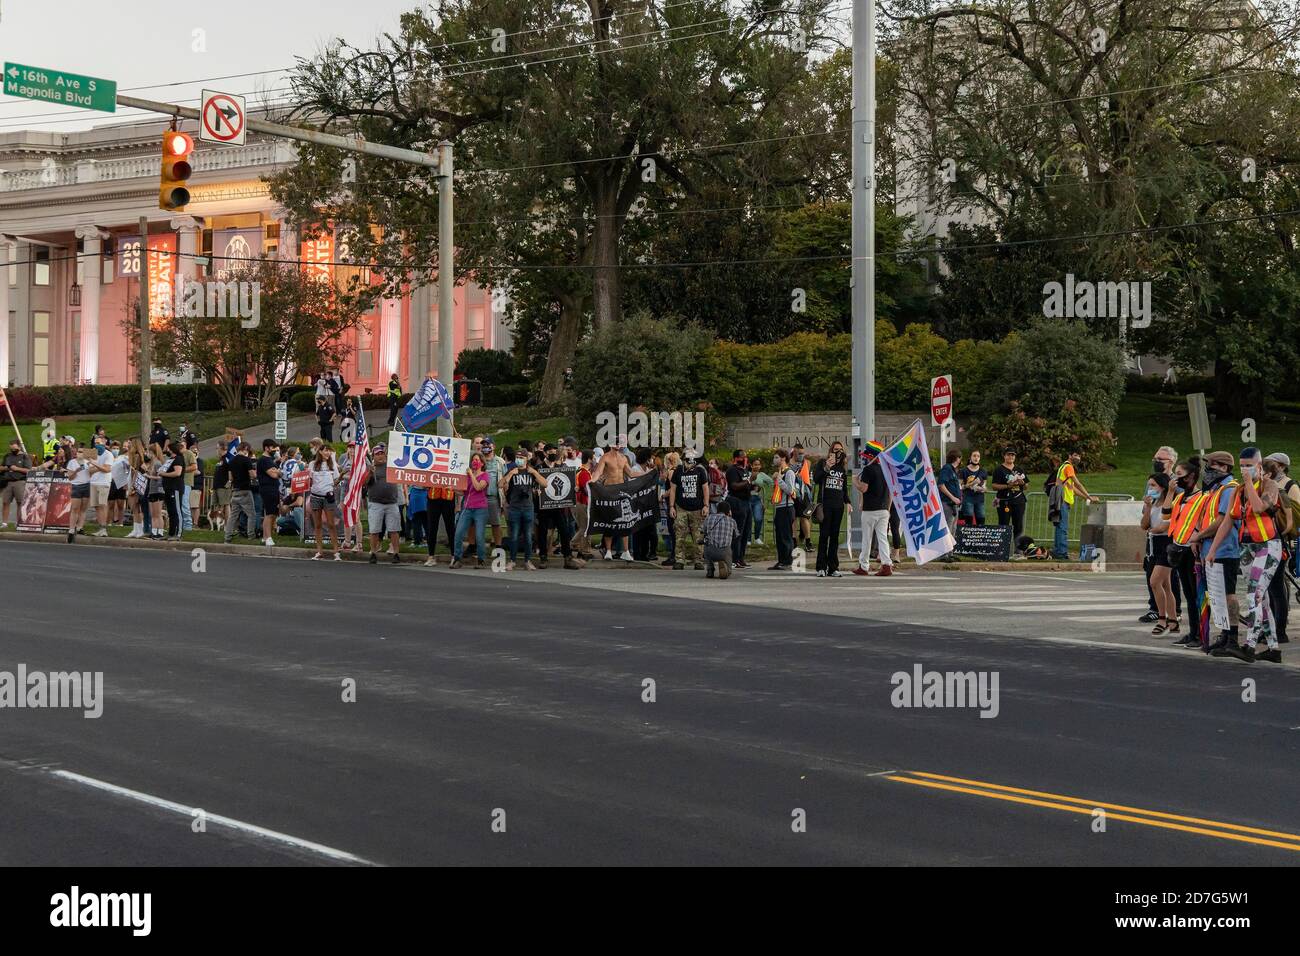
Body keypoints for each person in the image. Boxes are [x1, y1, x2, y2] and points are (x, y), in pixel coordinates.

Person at [1215, 447, 1287, 663]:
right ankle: (1273, 649)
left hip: (1267, 545)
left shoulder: (1269, 485)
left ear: (1259, 465)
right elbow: (1229, 520)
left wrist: (1248, 484)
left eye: (1249, 465)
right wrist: (1212, 551)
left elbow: (1258, 508)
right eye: (1242, 465)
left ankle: (1249, 646)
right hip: (1247, 548)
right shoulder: (1238, 491)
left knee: (1253, 595)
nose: (1245, 469)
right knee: (1261, 600)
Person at [1199, 451, 1242, 654]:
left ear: (1224, 468)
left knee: (1228, 594)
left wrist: (1199, 536)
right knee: (1217, 595)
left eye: (1211, 465)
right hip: (1212, 550)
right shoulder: (1217, 489)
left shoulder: (1229, 489)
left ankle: (1232, 638)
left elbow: (1222, 521)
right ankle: (1225, 635)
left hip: (1225, 550)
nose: (1207, 469)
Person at [1165, 457, 1206, 648]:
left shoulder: (1203, 497)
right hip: (1178, 548)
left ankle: (1200, 634)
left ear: (1191, 476)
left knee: (1197, 594)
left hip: (1193, 550)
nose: (1176, 478)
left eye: (1179, 475)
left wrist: (1195, 539)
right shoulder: (1180, 497)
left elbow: (1203, 522)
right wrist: (1171, 492)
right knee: (1188, 594)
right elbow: (1166, 514)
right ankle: (1193, 632)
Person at [1140, 446, 1182, 623]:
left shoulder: (1176, 483)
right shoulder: (1152, 481)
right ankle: (1156, 608)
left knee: (1167, 577)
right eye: (1155, 458)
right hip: (1153, 538)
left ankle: (1173, 611)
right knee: (1152, 574)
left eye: (1161, 459)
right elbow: (1146, 512)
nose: (1157, 462)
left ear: (1171, 462)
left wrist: (1159, 528)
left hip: (1168, 537)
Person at [1265, 452, 1299, 644]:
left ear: (1281, 466)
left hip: (1282, 539)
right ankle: (1274, 625)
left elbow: (1293, 514)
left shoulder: (1289, 485)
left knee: (1277, 585)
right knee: (1272, 586)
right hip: (1270, 538)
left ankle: (1280, 627)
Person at [590, 436, 635, 561]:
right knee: (609, 521)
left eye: (619, 443)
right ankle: (609, 550)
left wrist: (647, 474)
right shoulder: (605, 457)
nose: (617, 445)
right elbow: (598, 472)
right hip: (608, 491)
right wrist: (592, 480)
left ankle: (626, 551)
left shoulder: (624, 458)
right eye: (615, 443)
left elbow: (631, 473)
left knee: (625, 521)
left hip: (621, 491)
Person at [501, 445, 544, 570]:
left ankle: (527, 561)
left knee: (528, 536)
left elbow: (544, 484)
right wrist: (509, 475)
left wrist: (535, 472)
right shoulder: (512, 471)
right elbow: (500, 484)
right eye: (517, 457)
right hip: (514, 507)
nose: (519, 459)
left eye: (521, 457)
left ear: (526, 459)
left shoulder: (531, 471)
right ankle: (512, 561)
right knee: (513, 536)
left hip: (528, 508)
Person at [853, 441, 893, 576]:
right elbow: (891, 491)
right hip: (883, 508)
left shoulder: (868, 469)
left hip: (870, 509)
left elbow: (864, 488)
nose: (865, 458)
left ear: (870, 456)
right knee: (882, 538)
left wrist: (855, 482)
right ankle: (886, 565)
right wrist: (888, 508)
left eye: (866, 456)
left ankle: (864, 566)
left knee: (867, 538)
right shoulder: (886, 470)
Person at [1051, 451, 1099, 560]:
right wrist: (1090, 496)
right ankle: (1061, 553)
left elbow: (1073, 489)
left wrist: (1087, 497)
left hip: (1061, 500)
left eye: (1079, 456)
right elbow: (1078, 484)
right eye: (1076, 455)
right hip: (1062, 500)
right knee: (1062, 527)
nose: (1078, 458)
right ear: (1069, 456)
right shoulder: (1068, 467)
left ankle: (1058, 551)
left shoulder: (1064, 467)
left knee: (1060, 527)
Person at [813, 442, 851, 577]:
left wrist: (848, 502)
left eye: (840, 450)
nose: (838, 453)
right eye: (835, 450)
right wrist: (827, 467)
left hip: (838, 506)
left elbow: (844, 487)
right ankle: (821, 567)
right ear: (830, 451)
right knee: (824, 536)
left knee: (834, 537)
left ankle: (833, 567)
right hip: (825, 504)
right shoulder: (823, 463)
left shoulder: (842, 468)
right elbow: (816, 479)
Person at [669, 449, 710, 570]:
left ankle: (698, 560)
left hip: (697, 508)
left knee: (698, 536)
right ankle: (679, 560)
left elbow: (705, 488)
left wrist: (706, 505)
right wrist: (671, 506)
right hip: (681, 507)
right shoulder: (678, 470)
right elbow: (673, 489)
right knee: (679, 535)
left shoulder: (700, 470)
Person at [450, 453, 491, 569]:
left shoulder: (485, 476)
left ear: (482, 463)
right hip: (467, 508)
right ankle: (457, 559)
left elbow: (478, 487)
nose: (474, 462)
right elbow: (463, 492)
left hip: (480, 509)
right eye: (473, 460)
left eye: (477, 460)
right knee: (458, 533)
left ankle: (481, 560)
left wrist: (471, 475)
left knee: (479, 535)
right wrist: (452, 489)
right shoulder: (468, 476)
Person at [366, 443, 403, 565]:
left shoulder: (392, 466)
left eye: (382, 453)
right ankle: (373, 553)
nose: (381, 456)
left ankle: (396, 553)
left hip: (392, 503)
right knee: (374, 530)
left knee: (394, 529)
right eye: (378, 454)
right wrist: (370, 473)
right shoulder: (370, 468)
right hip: (375, 503)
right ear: (374, 456)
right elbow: (364, 484)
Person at [306, 445, 342, 561]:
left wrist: (340, 477)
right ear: (320, 451)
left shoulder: (333, 465)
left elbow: (336, 481)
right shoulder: (312, 464)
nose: (328, 453)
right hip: (315, 496)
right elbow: (308, 479)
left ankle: (336, 552)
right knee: (317, 524)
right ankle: (319, 551)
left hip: (328, 496)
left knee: (331, 524)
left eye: (329, 451)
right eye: (326, 450)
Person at [991, 449, 1028, 552]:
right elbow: (994, 486)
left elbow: (1026, 486)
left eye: (1013, 455)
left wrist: (1022, 483)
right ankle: (1003, 549)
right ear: (1004, 456)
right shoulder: (999, 469)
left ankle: (1018, 550)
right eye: (1009, 455)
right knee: (1003, 525)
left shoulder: (1019, 469)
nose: (1011, 457)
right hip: (1004, 501)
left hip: (1019, 501)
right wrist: (1008, 485)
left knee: (1018, 525)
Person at [725, 450, 754, 569]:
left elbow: (748, 483)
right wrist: (747, 481)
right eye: (743, 457)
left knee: (746, 531)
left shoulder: (745, 470)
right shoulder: (732, 470)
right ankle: (734, 558)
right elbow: (734, 485)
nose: (745, 459)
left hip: (747, 502)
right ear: (736, 458)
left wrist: (753, 484)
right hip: (737, 502)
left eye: (746, 457)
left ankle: (741, 558)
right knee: (738, 532)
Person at [224, 442, 257, 543]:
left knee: (233, 516)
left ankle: (227, 536)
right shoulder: (246, 460)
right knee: (251, 515)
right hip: (245, 491)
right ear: (245, 448)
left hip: (235, 491)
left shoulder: (231, 460)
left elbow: (230, 478)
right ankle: (251, 536)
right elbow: (253, 475)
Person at [770, 450, 797, 571]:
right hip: (779, 507)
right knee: (779, 536)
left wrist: (779, 480)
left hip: (787, 507)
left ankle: (787, 560)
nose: (774, 459)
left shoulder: (789, 472)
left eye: (776, 457)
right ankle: (781, 560)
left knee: (786, 535)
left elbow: (790, 490)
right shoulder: (780, 472)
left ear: (783, 459)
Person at [702, 499, 740, 579]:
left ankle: (710, 569)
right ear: (729, 511)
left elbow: (704, 532)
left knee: (706, 544)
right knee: (729, 551)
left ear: (717, 509)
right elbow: (736, 536)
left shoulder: (709, 518)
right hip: (724, 552)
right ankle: (727, 570)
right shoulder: (732, 521)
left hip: (711, 551)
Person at [255, 439, 282, 547]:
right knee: (269, 513)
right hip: (267, 489)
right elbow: (274, 474)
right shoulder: (264, 460)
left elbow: (276, 472)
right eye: (272, 447)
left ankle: (265, 536)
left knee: (274, 513)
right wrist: (278, 472)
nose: (274, 450)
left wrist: (277, 471)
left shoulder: (270, 460)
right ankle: (268, 538)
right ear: (266, 448)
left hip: (273, 488)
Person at [0, 438, 31, 529]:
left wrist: (17, 469)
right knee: (5, 502)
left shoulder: (25, 457)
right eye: (11, 449)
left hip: (20, 482)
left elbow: (28, 470)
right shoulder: (7, 456)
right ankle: (4, 523)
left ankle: (18, 522)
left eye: (15, 449)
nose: (13, 450)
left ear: (19, 447)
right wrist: (6, 468)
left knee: (20, 502)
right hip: (7, 482)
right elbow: (1, 467)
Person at [424, 484, 457, 565]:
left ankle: (454, 556)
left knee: (450, 528)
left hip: (448, 498)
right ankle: (431, 557)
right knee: (432, 528)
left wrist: (459, 504)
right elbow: (424, 482)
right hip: (433, 498)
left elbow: (458, 481)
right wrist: (425, 485)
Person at [87, 438, 114, 536]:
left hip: (104, 482)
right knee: (96, 506)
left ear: (104, 444)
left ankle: (104, 528)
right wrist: (100, 467)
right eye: (95, 443)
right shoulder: (93, 454)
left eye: (98, 443)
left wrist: (95, 465)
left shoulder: (108, 454)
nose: (96, 444)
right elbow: (89, 471)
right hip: (93, 481)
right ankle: (100, 528)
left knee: (102, 505)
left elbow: (107, 469)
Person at [790, 444, 814, 552]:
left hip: (804, 494)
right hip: (792, 493)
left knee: (805, 517)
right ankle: (794, 541)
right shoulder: (788, 463)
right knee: (793, 518)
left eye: (802, 453)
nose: (801, 455)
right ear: (794, 452)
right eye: (799, 453)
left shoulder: (806, 463)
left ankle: (808, 541)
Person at [937, 450, 963, 534]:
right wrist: (953, 497)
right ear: (957, 458)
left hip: (954, 503)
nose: (960, 460)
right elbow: (941, 485)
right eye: (960, 458)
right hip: (948, 503)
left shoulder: (953, 470)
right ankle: (947, 546)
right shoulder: (947, 468)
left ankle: (952, 546)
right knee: (948, 526)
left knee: (953, 527)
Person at [750, 458, 772, 546]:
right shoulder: (747, 473)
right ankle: (748, 539)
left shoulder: (762, 475)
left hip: (757, 498)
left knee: (758, 519)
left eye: (758, 464)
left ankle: (757, 538)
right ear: (751, 465)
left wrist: (765, 494)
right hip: (747, 498)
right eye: (755, 464)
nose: (757, 466)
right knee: (748, 520)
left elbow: (771, 482)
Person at [108, 440, 130, 527]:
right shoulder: (108, 458)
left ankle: (120, 523)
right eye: (114, 448)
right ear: (110, 449)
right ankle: (109, 522)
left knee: (121, 505)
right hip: (111, 482)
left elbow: (127, 471)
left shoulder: (122, 458)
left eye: (117, 448)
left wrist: (126, 483)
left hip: (121, 482)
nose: (115, 450)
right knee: (111, 505)